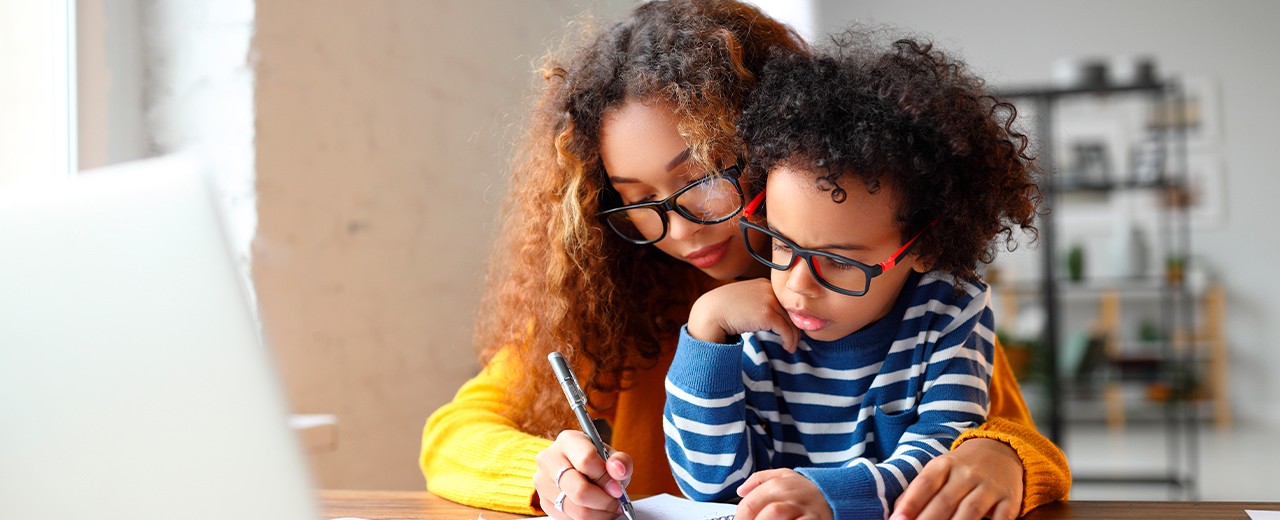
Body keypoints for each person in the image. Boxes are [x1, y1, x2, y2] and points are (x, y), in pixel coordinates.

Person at [419, 2, 1070, 519]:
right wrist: (545, 474)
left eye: (700, 177)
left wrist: (1000, 456)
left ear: (777, 137)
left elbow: (1004, 439)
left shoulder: (901, 290)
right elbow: (453, 433)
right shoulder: (612, 299)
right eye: (636, 199)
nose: (678, 229)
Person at [664, 32, 1037, 520]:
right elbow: (709, 486)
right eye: (781, 243)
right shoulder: (757, 321)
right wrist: (704, 333)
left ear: (921, 247)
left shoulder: (950, 311)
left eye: (839, 261)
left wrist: (830, 493)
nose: (797, 285)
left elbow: (944, 454)